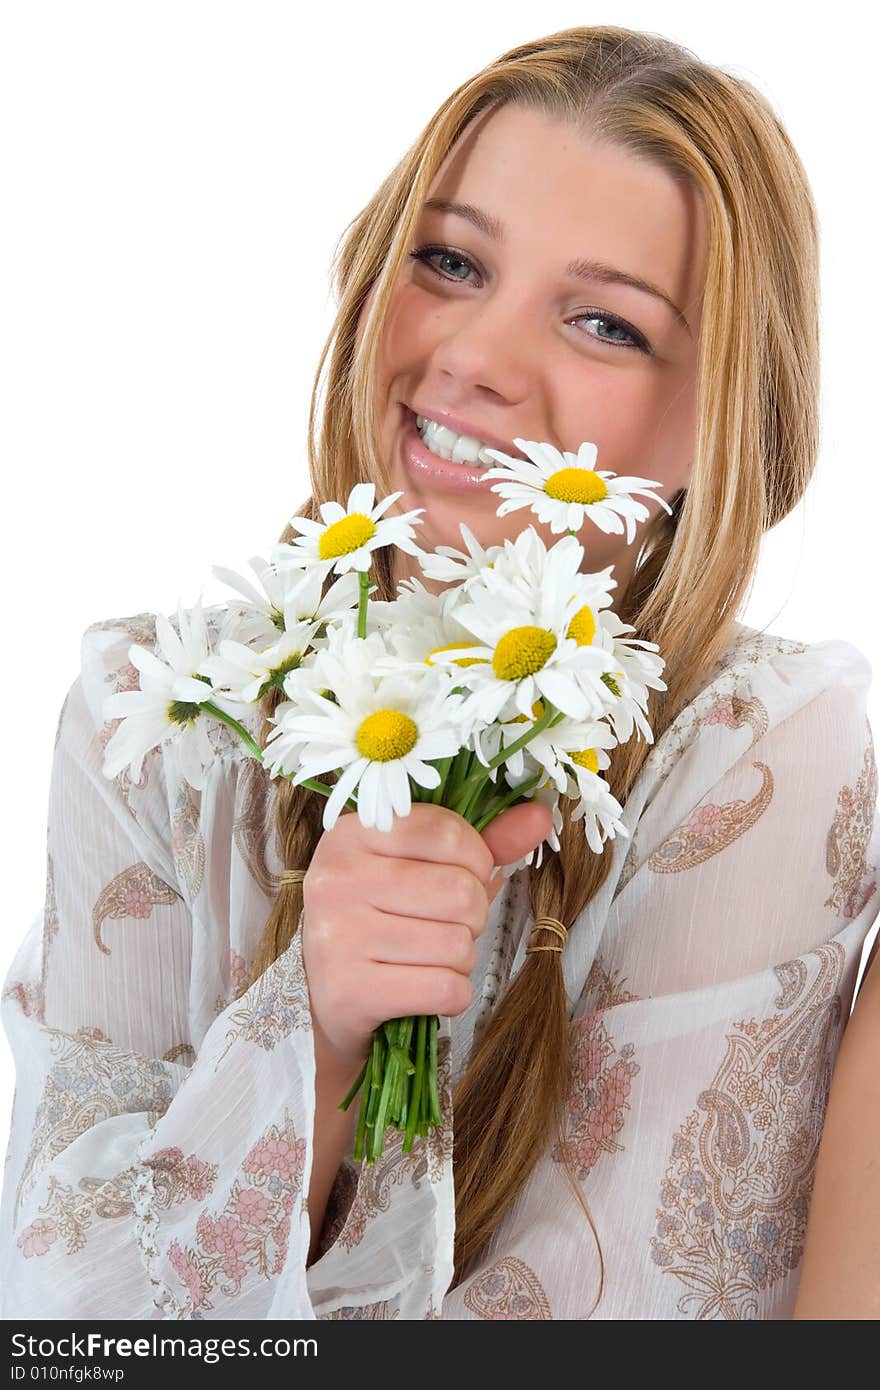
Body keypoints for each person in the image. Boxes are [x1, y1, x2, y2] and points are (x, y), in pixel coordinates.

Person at [1, 24, 878, 1321]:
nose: (472, 354)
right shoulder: (161, 715)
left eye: (604, 322)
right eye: (452, 261)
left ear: (727, 420)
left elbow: (625, 1303)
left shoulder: (762, 750)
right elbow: (61, 1321)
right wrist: (311, 1041)